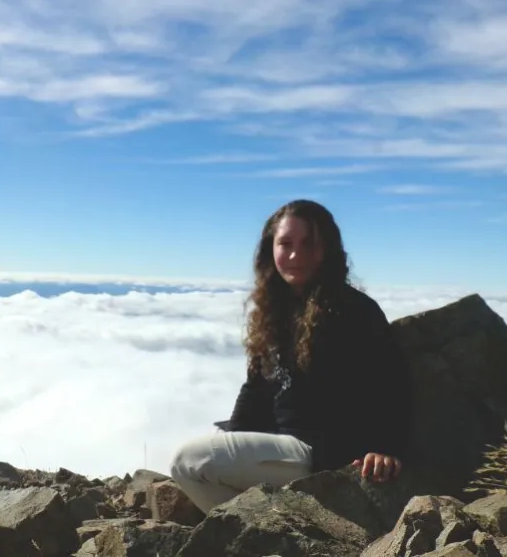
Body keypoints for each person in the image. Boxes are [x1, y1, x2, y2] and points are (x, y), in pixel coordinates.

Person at [169, 199, 414, 514]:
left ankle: (255, 535)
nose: (296, 255)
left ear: (326, 249)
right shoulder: (277, 311)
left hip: (322, 452)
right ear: (270, 249)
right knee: (212, 443)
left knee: (189, 461)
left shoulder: (352, 309)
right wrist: (236, 433)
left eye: (309, 244)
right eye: (285, 244)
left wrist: (385, 448)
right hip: (285, 444)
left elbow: (392, 381)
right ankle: (263, 528)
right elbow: (256, 388)